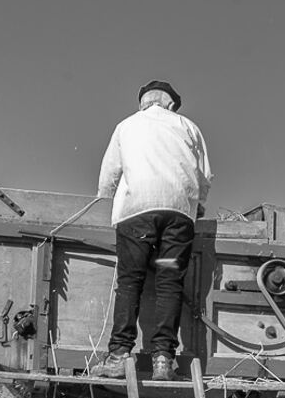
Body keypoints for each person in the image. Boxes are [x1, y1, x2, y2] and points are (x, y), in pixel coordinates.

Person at [90, 79, 211, 381]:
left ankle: (119, 355)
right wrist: (198, 206)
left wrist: (103, 201)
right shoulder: (188, 127)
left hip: (137, 216)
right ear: (170, 104)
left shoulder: (127, 126)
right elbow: (204, 175)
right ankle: (163, 359)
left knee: (131, 281)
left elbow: (109, 175)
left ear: (143, 102)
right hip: (177, 218)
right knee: (169, 282)